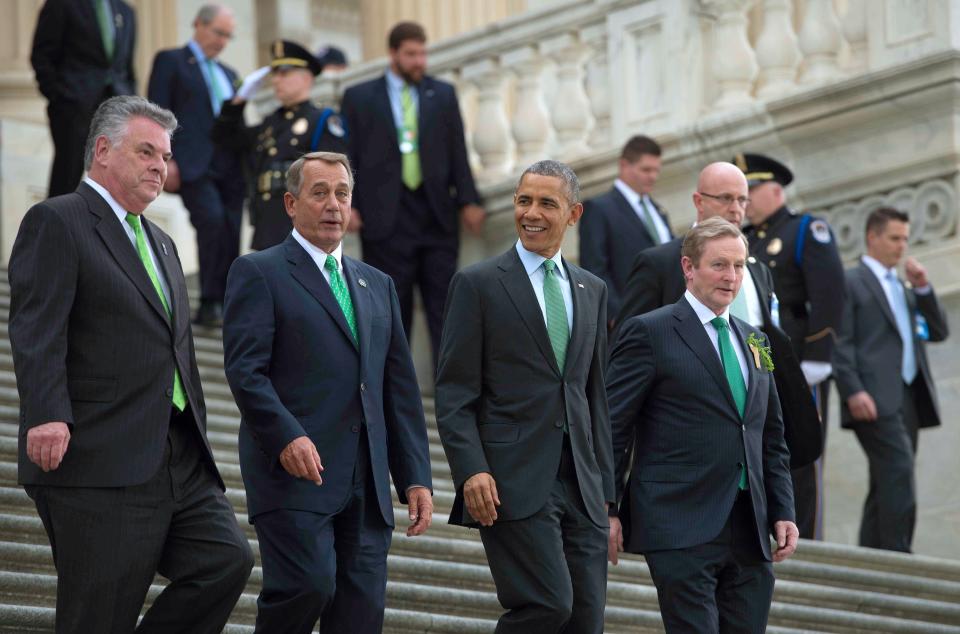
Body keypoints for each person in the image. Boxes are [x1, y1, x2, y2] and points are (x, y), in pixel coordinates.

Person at [8, 95, 253, 634]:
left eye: (164, 157)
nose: (158, 167)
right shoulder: (59, 220)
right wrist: (47, 412)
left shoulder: (162, 242)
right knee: (98, 615)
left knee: (226, 561)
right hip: (98, 454)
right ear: (102, 150)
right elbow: (36, 327)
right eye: (146, 152)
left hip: (177, 454)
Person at [222, 151, 434, 633]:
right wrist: (285, 437)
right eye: (320, 193)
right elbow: (245, 372)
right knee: (308, 587)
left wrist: (415, 475)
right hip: (297, 476)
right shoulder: (260, 271)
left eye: (342, 193)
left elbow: (399, 389)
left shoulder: (377, 284)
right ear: (291, 204)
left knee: (360, 618)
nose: (333, 204)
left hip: (368, 484)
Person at [436, 160, 614, 633]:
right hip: (511, 481)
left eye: (546, 203)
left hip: (582, 484)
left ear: (573, 214)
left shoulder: (592, 290)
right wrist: (470, 468)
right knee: (546, 605)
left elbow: (594, 397)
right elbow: (454, 392)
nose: (531, 213)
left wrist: (607, 496)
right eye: (523, 200)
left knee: (585, 622)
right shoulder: (477, 284)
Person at [607, 216, 798, 633]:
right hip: (679, 524)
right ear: (688, 268)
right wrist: (607, 507)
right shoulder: (649, 331)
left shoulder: (757, 342)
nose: (732, 277)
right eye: (719, 265)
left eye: (739, 266)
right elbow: (612, 427)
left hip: (750, 529)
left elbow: (771, 435)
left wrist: (783, 509)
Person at [616, 162, 823, 537]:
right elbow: (627, 363)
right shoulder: (660, 262)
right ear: (698, 201)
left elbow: (766, 345)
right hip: (682, 457)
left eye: (742, 199)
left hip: (751, 430)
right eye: (725, 198)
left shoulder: (757, 268)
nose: (736, 208)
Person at [341, 21, 484, 370]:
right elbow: (349, 154)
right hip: (385, 218)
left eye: (422, 53)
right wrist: (350, 204)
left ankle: (448, 389)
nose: (420, 61)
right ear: (393, 54)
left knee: (445, 308)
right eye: (411, 54)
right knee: (390, 310)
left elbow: (457, 151)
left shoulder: (443, 94)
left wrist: (470, 199)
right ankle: (394, 393)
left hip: (436, 214)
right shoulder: (359, 97)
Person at [736, 152, 844, 540]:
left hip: (799, 356)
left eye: (752, 190)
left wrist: (819, 356)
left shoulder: (804, 229)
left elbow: (830, 293)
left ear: (775, 190)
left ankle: (807, 536)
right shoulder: (747, 240)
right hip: (759, 353)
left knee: (802, 448)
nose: (746, 200)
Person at [832, 207, 948, 553]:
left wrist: (924, 287)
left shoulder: (903, 286)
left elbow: (939, 331)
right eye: (895, 238)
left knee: (887, 479)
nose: (902, 246)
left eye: (906, 239)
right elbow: (840, 342)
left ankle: (871, 559)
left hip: (909, 396)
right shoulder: (851, 281)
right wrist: (852, 390)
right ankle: (900, 557)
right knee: (898, 472)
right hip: (873, 397)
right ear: (873, 237)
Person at [148, 3, 243, 327]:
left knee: (231, 228)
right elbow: (157, 115)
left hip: (230, 166)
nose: (222, 41)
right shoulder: (171, 61)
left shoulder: (230, 74)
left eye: (228, 36)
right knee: (212, 221)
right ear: (198, 25)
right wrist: (164, 159)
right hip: (192, 163)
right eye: (218, 33)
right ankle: (209, 300)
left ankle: (225, 301)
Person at [214, 39, 347, 250]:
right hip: (265, 223)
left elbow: (332, 176)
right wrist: (239, 101)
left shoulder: (321, 120)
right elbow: (225, 139)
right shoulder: (270, 123)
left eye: (284, 74)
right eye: (275, 74)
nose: (276, 81)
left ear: (306, 77)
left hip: (300, 225)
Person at [31, 0, 137, 197]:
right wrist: (60, 96)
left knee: (118, 180)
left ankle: (110, 227)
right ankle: (57, 227)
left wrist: (130, 102)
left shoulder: (126, 11)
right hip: (73, 107)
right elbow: (42, 55)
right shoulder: (62, 5)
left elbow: (127, 69)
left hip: (116, 110)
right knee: (67, 177)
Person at [580, 135, 672, 325]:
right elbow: (594, 269)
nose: (653, 176)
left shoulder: (659, 211)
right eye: (646, 169)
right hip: (628, 323)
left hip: (667, 318)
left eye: (656, 170)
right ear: (624, 165)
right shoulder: (599, 208)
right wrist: (616, 316)